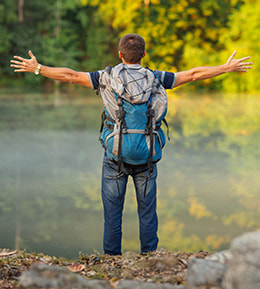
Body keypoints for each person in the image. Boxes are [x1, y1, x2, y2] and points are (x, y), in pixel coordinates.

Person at [10, 33, 252, 255]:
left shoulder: (106, 77)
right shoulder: (156, 78)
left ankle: (111, 260)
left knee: (112, 216)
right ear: (144, 55)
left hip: (115, 156)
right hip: (147, 156)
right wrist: (225, 68)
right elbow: (193, 74)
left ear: (120, 55)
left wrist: (38, 68)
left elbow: (71, 76)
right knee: (147, 214)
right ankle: (149, 257)